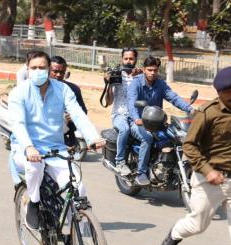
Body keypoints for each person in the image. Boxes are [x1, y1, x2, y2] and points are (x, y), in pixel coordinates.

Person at [8, 51, 105, 231]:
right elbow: (18, 124)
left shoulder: (62, 89)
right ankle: (34, 204)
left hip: (55, 148)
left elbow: (77, 114)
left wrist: (92, 137)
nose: (38, 71)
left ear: (49, 69)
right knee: (34, 167)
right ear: (27, 69)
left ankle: (77, 236)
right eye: (34, 68)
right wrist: (29, 147)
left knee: (78, 188)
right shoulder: (19, 93)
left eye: (42, 68)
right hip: (26, 148)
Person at [159, 67, 231, 245]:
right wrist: (208, 171)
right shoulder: (207, 113)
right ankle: (175, 234)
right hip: (209, 178)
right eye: (228, 91)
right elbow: (189, 145)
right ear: (219, 92)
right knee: (198, 224)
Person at [127, 56, 194, 186]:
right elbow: (131, 103)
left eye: (155, 70)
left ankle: (169, 167)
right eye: (150, 70)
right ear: (144, 70)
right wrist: (137, 119)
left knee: (174, 136)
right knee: (147, 138)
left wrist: (190, 109)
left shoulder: (160, 84)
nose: (153, 73)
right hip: (139, 122)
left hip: (156, 122)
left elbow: (173, 97)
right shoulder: (135, 83)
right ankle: (141, 172)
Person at [104, 48, 141, 176]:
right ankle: (120, 161)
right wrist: (108, 83)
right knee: (124, 129)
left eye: (131, 59)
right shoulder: (117, 75)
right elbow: (108, 101)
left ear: (136, 60)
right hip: (119, 114)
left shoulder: (140, 76)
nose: (128, 61)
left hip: (135, 116)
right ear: (122, 59)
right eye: (126, 58)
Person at [49, 55, 87, 147]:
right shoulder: (40, 89)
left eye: (61, 72)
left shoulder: (73, 89)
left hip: (67, 131)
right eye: (55, 71)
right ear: (48, 70)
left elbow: (83, 111)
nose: (58, 75)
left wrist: (72, 116)